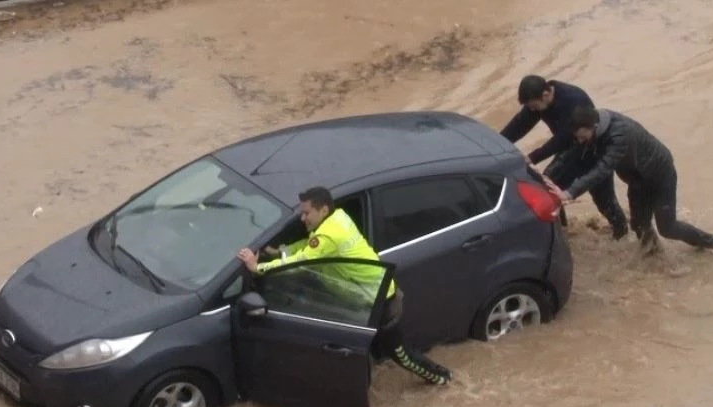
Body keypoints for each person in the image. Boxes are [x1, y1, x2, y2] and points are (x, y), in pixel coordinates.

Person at [236, 186, 453, 385]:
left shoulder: (330, 234)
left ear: (322, 210)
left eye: (306, 213)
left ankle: (441, 378)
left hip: (379, 302)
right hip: (370, 295)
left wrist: (257, 268)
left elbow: (302, 260)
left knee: (400, 354)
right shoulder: (337, 218)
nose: (303, 218)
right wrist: (281, 250)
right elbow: (310, 245)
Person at [548, 105, 713, 252]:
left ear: (594, 126)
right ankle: (654, 258)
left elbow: (603, 169)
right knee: (639, 225)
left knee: (668, 227)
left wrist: (570, 192)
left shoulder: (619, 136)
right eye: (577, 137)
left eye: (582, 136)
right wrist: (547, 176)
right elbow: (571, 152)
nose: (580, 141)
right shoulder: (593, 127)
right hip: (637, 178)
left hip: (660, 175)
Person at [500, 74, 629, 239]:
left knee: (604, 200)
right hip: (568, 152)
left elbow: (564, 137)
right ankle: (563, 233)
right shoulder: (539, 101)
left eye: (533, 106)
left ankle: (622, 233)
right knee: (548, 189)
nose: (532, 110)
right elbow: (519, 125)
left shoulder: (573, 100)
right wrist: (496, 142)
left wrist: (532, 157)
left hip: (592, 151)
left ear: (546, 95)